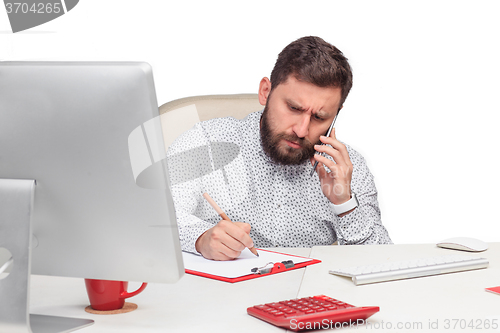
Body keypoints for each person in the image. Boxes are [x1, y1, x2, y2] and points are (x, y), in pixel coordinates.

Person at [167, 36, 392, 260]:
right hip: (222, 292)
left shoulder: (347, 169)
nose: (302, 130)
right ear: (265, 91)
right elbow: (151, 219)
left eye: (319, 117)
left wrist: (345, 205)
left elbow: (382, 261)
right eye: (294, 108)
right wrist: (200, 238)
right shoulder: (205, 142)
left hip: (309, 292)